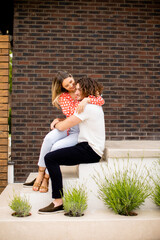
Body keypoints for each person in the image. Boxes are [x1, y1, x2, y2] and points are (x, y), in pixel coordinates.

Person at [23, 71, 104, 193]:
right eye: (67, 86)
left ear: (72, 77)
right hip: (69, 125)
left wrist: (86, 100)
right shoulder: (63, 97)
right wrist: (59, 121)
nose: (71, 86)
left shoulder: (84, 90)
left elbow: (100, 100)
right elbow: (71, 116)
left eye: (71, 82)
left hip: (78, 129)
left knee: (56, 147)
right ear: (63, 88)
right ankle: (40, 173)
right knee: (49, 139)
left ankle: (46, 177)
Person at [38, 76, 105, 214]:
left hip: (90, 150)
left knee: (51, 158)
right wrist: (60, 119)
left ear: (86, 90)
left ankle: (58, 202)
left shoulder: (87, 108)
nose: (76, 92)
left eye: (80, 89)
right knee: (53, 155)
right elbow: (70, 120)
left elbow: (64, 126)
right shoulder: (91, 105)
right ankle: (49, 186)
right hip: (88, 147)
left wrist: (56, 123)